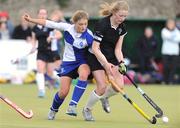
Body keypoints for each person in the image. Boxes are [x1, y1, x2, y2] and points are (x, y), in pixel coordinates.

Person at [23, 10, 93, 119]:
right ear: (74, 23)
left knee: (84, 74)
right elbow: (48, 23)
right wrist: (31, 20)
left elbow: (95, 51)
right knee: (63, 92)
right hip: (68, 63)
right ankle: (53, 110)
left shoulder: (89, 35)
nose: (83, 27)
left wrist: (106, 65)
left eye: (85, 24)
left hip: (82, 62)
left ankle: (72, 105)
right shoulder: (67, 28)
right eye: (80, 24)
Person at [82, 1, 129, 121]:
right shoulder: (102, 24)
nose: (122, 19)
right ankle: (87, 109)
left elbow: (118, 49)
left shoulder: (122, 27)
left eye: (125, 16)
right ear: (114, 13)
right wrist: (105, 64)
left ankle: (104, 98)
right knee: (102, 86)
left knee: (119, 86)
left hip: (111, 57)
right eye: (120, 15)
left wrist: (122, 62)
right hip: (96, 56)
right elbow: (95, 48)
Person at [29, 8, 61, 97]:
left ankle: (58, 80)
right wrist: (33, 47)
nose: (43, 15)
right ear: (38, 15)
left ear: (46, 15)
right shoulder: (35, 28)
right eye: (41, 13)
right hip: (41, 52)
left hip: (50, 52)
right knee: (40, 70)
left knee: (50, 73)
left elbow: (59, 35)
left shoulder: (50, 24)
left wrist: (52, 38)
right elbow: (34, 39)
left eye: (44, 13)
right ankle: (41, 91)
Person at [161, 19, 180, 84]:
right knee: (166, 67)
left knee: (173, 67)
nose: (171, 25)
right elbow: (166, 37)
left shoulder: (177, 31)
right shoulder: (164, 30)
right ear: (167, 24)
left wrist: (170, 37)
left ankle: (171, 81)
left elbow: (178, 39)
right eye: (169, 23)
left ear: (174, 24)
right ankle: (165, 80)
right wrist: (173, 37)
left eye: (172, 23)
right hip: (166, 52)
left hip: (175, 52)